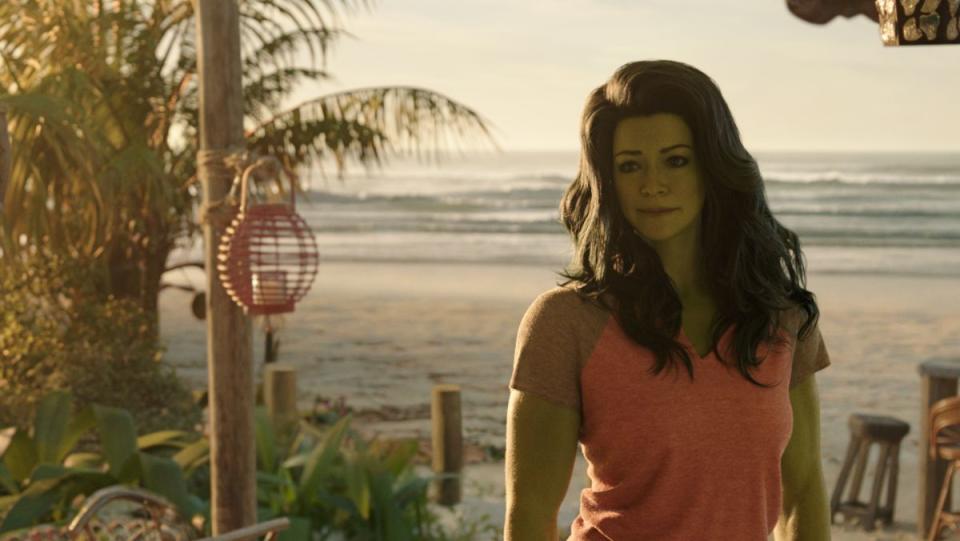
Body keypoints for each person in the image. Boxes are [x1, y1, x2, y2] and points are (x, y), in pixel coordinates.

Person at [504, 60, 832, 540]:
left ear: (712, 165)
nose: (651, 184)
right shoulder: (566, 322)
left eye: (676, 160)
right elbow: (529, 515)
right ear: (608, 180)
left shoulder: (780, 316)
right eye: (629, 165)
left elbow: (801, 489)